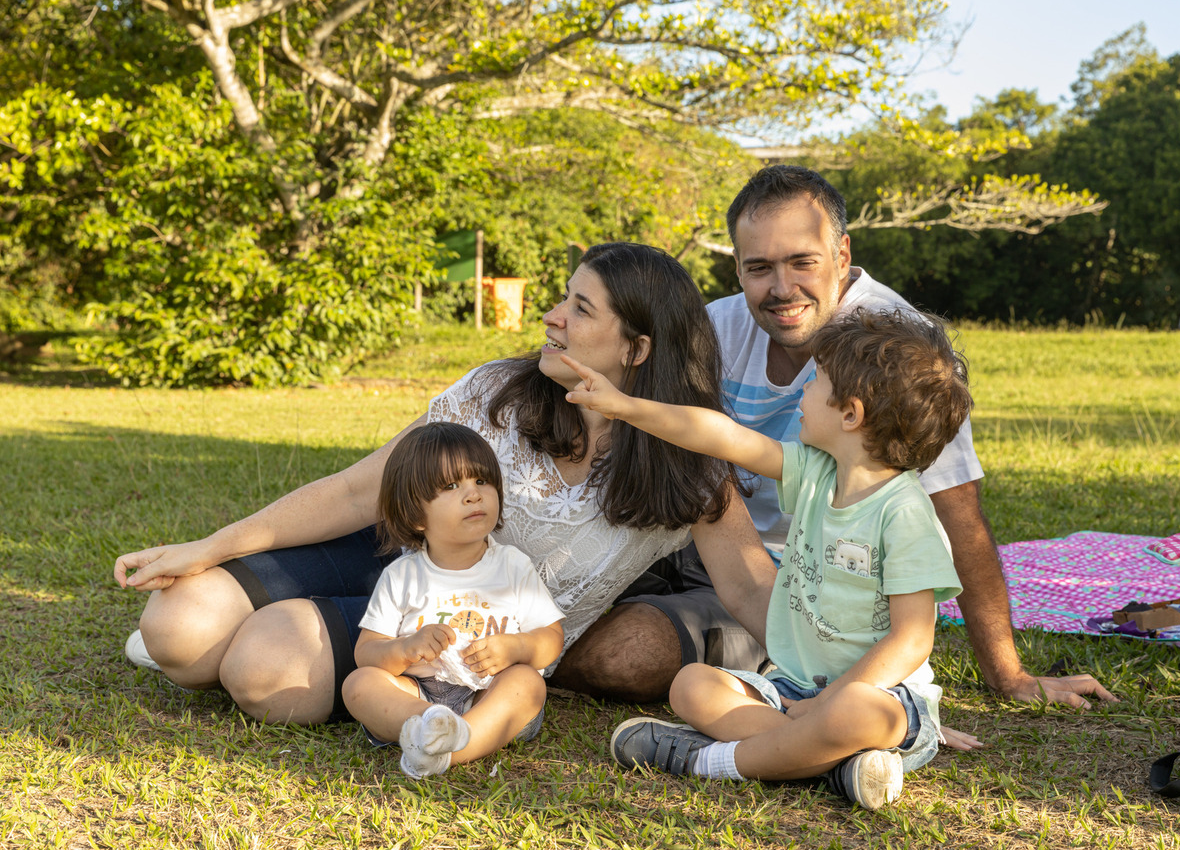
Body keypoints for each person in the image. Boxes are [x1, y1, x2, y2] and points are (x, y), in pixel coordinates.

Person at [114, 242, 779, 725]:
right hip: (389, 552)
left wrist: (846, 677)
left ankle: (256, 638)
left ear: (637, 349)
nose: (552, 316)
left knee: (261, 673)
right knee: (176, 624)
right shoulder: (499, 394)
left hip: (453, 641)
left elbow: (750, 584)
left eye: (579, 308)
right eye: (562, 298)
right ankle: (221, 630)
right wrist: (212, 546)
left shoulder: (688, 468)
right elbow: (357, 491)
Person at [569, 165, 1117, 710]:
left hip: (795, 589)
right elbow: (693, 431)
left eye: (802, 262)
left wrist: (1008, 674)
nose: (782, 289)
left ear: (842, 255)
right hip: (692, 539)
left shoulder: (895, 350)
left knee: (624, 654)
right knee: (547, 594)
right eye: (759, 267)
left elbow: (959, 513)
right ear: (736, 266)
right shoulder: (714, 327)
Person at [561, 307, 967, 809]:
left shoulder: (904, 513)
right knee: (691, 685)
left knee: (856, 717)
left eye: (815, 381)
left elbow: (913, 638)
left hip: (877, 695)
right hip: (789, 685)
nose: (802, 392)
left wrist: (833, 701)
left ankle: (707, 761)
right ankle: (834, 767)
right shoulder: (816, 472)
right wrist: (626, 407)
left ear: (850, 414)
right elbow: (721, 437)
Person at [342, 422, 565, 778]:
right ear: (415, 515)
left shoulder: (512, 566)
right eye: (451, 486)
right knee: (359, 684)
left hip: (490, 695)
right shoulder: (403, 575)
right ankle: (427, 728)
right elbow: (366, 652)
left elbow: (552, 638)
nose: (473, 495)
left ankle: (452, 751)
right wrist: (405, 648)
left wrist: (516, 647)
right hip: (418, 694)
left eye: (481, 481)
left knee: (527, 683)